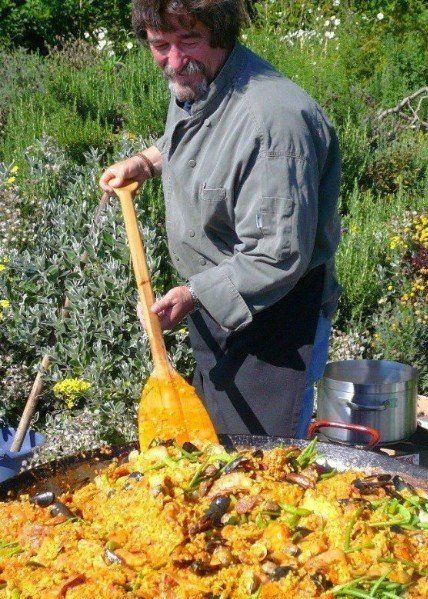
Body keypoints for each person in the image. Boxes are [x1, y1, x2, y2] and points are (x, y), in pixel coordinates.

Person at [100, 0, 341, 439]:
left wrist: (193, 294)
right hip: (216, 300)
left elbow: (276, 256)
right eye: (160, 45)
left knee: (263, 464)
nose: (174, 61)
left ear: (222, 32)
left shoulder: (273, 124)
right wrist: (147, 161)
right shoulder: (201, 78)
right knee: (216, 443)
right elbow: (202, 136)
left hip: (277, 318)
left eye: (188, 40)